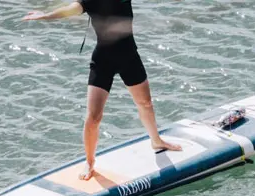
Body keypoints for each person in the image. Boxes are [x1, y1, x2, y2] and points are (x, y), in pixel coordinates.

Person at [23, 1, 182, 181]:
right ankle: (89, 161)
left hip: (129, 57)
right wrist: (46, 16)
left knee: (145, 103)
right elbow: (69, 10)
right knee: (93, 117)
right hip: (103, 61)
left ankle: (156, 141)